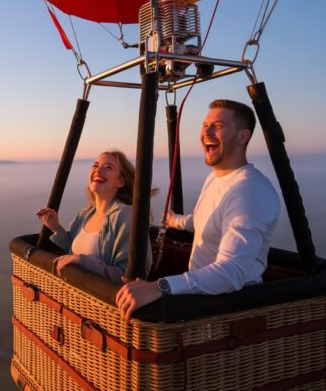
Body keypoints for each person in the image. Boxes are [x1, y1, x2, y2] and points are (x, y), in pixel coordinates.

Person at [116, 99, 280, 321]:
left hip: (228, 315)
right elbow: (205, 220)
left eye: (219, 126)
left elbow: (231, 273)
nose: (207, 132)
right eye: (205, 125)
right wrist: (175, 221)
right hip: (202, 304)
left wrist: (161, 286)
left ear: (243, 137)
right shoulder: (215, 179)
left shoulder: (250, 191)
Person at [36, 150, 151, 282]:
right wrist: (56, 228)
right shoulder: (86, 214)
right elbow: (73, 253)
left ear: (120, 181)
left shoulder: (125, 216)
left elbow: (126, 277)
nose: (98, 170)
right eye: (96, 166)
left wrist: (82, 261)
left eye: (108, 167)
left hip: (101, 301)